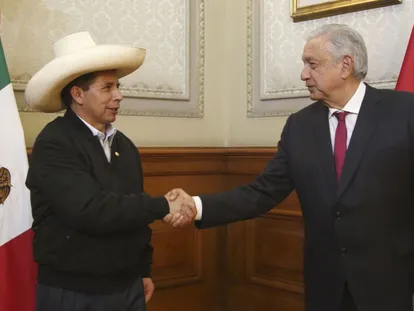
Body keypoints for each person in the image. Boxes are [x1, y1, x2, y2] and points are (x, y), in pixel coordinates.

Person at [164, 24, 414, 311]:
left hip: (389, 284)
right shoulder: (300, 126)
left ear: (346, 65)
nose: (303, 74)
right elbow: (261, 192)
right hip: (326, 286)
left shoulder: (405, 112)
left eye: (312, 64)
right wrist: (195, 206)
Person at [25, 32, 195, 311]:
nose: (119, 95)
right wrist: (164, 205)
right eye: (107, 88)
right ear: (78, 94)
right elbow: (91, 209)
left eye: (117, 86)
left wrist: (143, 269)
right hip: (74, 292)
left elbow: (133, 213)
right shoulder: (54, 142)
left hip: (127, 286)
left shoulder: (124, 145)